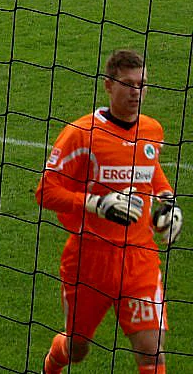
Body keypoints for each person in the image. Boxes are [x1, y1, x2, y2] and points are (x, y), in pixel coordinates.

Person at [35, 49, 182, 374]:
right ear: (108, 86)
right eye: (128, 84)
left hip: (139, 259)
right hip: (89, 260)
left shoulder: (152, 131)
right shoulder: (81, 134)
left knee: (152, 352)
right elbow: (45, 192)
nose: (136, 92)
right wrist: (96, 204)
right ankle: (50, 366)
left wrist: (167, 200)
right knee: (77, 348)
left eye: (142, 84)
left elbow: (150, 167)